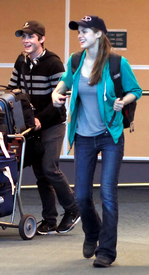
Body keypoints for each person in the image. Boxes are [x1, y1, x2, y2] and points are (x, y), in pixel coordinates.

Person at [52, 15, 142, 267]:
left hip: (109, 136)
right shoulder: (75, 60)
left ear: (99, 34)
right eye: (78, 31)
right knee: (81, 196)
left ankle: (106, 251)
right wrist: (55, 92)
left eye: (86, 31)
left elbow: (134, 90)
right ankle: (93, 232)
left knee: (108, 195)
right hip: (82, 137)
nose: (80, 35)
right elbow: (65, 82)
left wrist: (122, 101)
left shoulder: (116, 63)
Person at [8, 20, 80, 235]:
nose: (25, 40)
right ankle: (49, 219)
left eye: (30, 36)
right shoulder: (21, 61)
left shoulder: (53, 63)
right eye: (23, 36)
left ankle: (73, 209)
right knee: (40, 174)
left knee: (50, 168)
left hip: (52, 123)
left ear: (41, 39)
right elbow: (13, 89)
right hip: (32, 126)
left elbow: (60, 98)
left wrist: (40, 119)